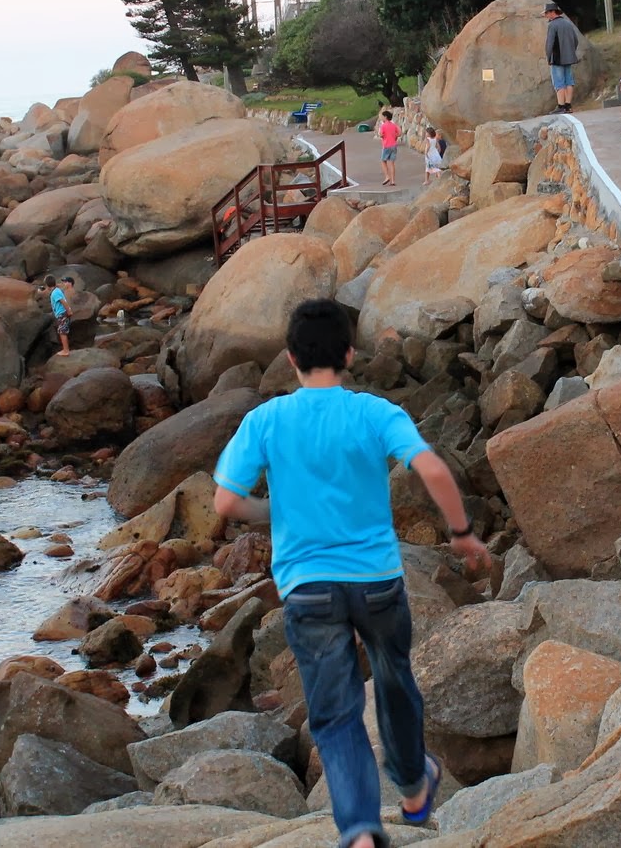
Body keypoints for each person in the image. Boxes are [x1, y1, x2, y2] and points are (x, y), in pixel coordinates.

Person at [213, 299, 490, 848]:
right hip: (377, 581)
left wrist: (275, 510)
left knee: (336, 716)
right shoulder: (374, 413)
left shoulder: (266, 420)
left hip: (307, 587)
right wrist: (460, 532)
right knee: (393, 678)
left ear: (291, 358)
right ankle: (413, 784)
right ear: (349, 355)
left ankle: (361, 831)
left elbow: (225, 502)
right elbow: (431, 467)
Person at [543, 1, 583, 114]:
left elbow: (549, 44)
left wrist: (548, 57)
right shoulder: (568, 23)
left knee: (559, 82)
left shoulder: (552, 25)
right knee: (569, 81)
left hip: (557, 58)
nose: (546, 15)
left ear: (552, 12)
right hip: (569, 58)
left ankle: (561, 105)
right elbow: (575, 40)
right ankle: (568, 105)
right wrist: (570, 52)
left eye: (547, 13)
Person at [46, 274, 74, 356]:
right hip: (62, 314)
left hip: (62, 314)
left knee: (62, 332)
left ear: (47, 285)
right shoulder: (57, 290)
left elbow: (63, 301)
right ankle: (65, 349)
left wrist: (69, 311)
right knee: (62, 331)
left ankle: (66, 350)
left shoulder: (55, 293)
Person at [377, 109, 401, 187]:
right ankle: (393, 181)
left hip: (386, 146)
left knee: (383, 161)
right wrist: (395, 136)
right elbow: (399, 133)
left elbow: (381, 135)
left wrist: (382, 135)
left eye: (382, 117)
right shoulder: (394, 125)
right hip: (394, 146)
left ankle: (387, 176)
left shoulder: (383, 126)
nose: (382, 118)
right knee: (392, 163)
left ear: (385, 117)